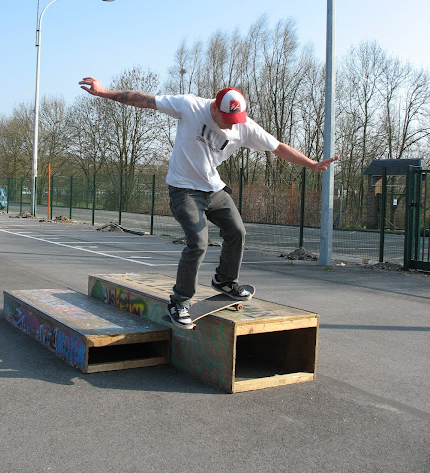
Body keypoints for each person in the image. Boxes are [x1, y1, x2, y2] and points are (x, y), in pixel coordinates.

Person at [79, 77, 339, 329]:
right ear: (214, 107)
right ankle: (179, 302)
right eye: (225, 120)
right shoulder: (189, 106)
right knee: (198, 242)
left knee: (237, 231)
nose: (229, 127)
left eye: (234, 122)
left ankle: (225, 280)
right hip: (183, 190)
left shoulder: (244, 126)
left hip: (213, 189)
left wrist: (312, 164)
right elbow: (144, 100)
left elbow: (278, 147)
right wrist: (104, 92)